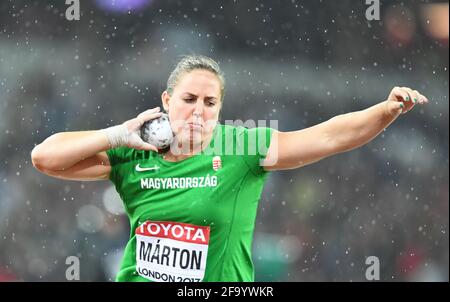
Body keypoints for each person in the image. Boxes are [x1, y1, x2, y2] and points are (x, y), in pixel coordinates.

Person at [31, 55, 429, 282]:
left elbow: (327, 137)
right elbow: (45, 157)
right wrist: (117, 134)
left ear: (220, 107)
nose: (199, 110)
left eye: (210, 102)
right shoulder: (134, 150)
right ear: (167, 100)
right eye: (189, 98)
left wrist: (385, 110)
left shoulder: (242, 146)